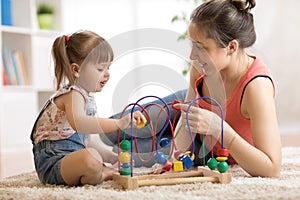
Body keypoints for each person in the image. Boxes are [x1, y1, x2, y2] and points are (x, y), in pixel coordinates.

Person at [101, 0, 282, 178]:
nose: (192, 55)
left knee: (121, 150)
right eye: (192, 45)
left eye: (200, 48)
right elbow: (185, 127)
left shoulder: (256, 87)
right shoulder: (201, 65)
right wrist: (176, 152)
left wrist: (219, 129)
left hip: (204, 145)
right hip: (189, 116)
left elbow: (272, 169)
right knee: (109, 133)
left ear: (231, 47)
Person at [30, 30, 146, 186]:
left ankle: (102, 170)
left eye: (108, 68)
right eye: (100, 69)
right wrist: (118, 124)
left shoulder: (86, 97)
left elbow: (86, 141)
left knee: (94, 155)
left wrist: (112, 157)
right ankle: (105, 173)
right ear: (76, 70)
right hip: (53, 163)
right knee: (91, 160)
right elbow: (80, 123)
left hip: (72, 159)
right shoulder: (72, 95)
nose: (107, 74)